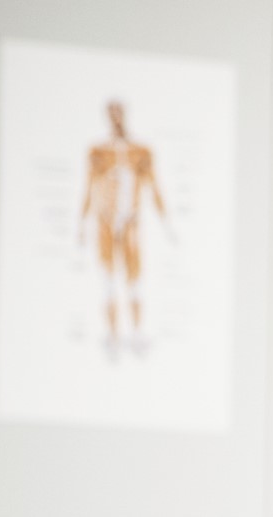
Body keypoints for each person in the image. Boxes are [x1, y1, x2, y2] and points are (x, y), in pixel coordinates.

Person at [77, 99, 170, 356]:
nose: (116, 118)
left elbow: (154, 187)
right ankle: (113, 336)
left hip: (131, 221)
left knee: (134, 279)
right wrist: (82, 223)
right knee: (108, 279)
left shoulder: (141, 151)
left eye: (119, 113)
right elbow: (89, 188)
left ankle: (137, 334)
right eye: (111, 113)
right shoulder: (98, 152)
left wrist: (166, 223)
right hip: (105, 220)